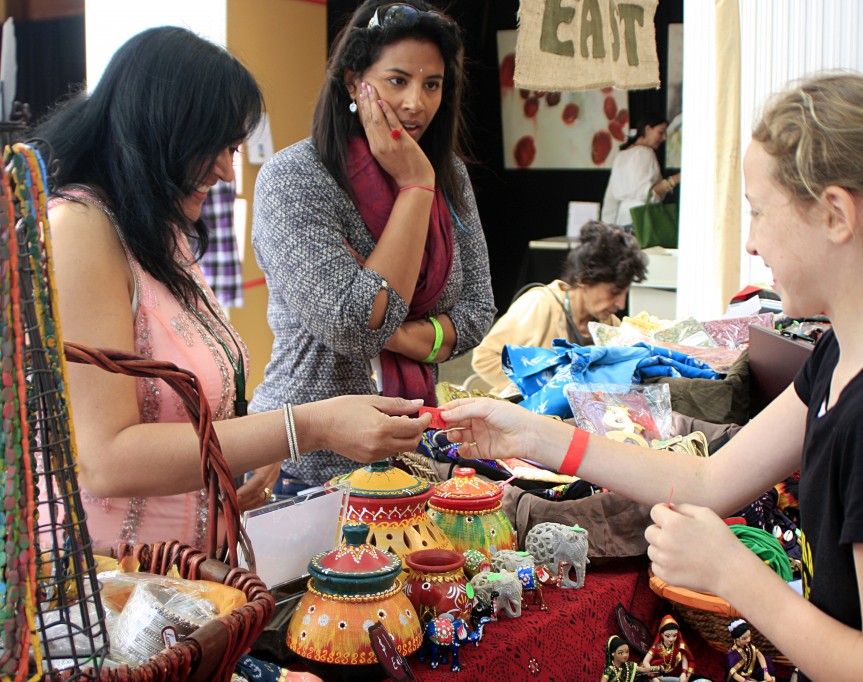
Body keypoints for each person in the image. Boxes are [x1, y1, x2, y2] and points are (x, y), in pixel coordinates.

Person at [440, 73, 863, 680]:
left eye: (759, 212)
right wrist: (533, 436)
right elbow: (709, 478)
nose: (751, 243)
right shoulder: (842, 357)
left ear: (835, 215)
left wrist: (733, 574)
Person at [37, 26, 431, 552]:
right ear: (162, 132)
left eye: (234, 148)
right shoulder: (80, 228)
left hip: (195, 573)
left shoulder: (156, 230)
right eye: (217, 147)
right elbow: (105, 460)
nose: (226, 171)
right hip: (118, 590)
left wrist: (246, 447)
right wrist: (301, 428)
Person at [249, 0, 495, 494]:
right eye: (397, 80)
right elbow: (354, 325)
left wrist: (394, 329)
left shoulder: (449, 174)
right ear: (352, 82)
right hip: (304, 465)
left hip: (412, 452)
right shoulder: (295, 178)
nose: (416, 103)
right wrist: (414, 187)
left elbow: (478, 312)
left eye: (432, 84)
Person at [470, 221, 648, 393]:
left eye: (625, 293)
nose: (621, 303)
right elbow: (485, 358)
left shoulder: (609, 324)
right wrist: (538, 388)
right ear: (584, 279)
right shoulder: (540, 305)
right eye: (614, 292)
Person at [601, 111, 680, 229]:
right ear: (648, 129)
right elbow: (648, 194)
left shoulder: (621, 155)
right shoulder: (645, 152)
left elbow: (610, 197)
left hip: (621, 221)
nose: (664, 138)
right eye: (661, 132)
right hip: (642, 221)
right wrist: (676, 179)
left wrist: (607, 226)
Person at [642, 614, 693, 682]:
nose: (671, 639)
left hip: (670, 674)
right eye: (668, 636)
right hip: (655, 671)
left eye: (674, 636)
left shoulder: (679, 645)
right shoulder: (657, 647)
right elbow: (645, 661)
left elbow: (684, 658)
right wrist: (652, 676)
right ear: (662, 635)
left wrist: (684, 673)